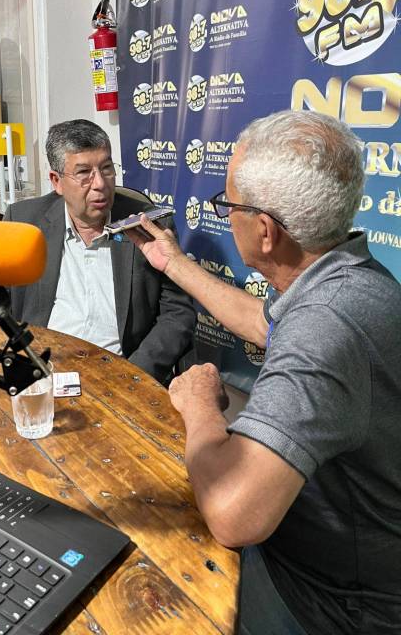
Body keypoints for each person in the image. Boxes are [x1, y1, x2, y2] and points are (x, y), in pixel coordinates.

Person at [127, 110, 401, 634]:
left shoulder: (326, 325)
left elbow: (235, 515)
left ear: (265, 231)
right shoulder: (345, 277)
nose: (225, 216)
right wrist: (173, 263)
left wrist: (200, 407)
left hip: (330, 605)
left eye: (228, 205)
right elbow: (262, 323)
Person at [3, 119, 195, 384]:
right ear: (57, 181)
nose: (100, 184)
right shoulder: (23, 221)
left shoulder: (148, 225)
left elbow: (178, 313)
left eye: (106, 168)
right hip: (43, 370)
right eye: (84, 173)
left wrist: (133, 376)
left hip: (121, 375)